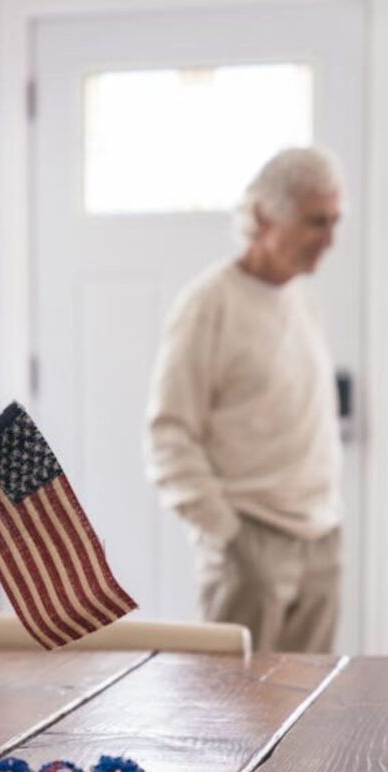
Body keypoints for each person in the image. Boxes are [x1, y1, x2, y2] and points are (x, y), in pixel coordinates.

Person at [144, 147, 343, 652]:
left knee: (309, 710)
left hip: (320, 538)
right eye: (315, 222)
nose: (329, 240)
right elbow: (169, 433)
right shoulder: (210, 303)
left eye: (335, 221)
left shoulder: (301, 298)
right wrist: (227, 535)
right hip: (248, 541)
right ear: (262, 216)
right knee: (236, 715)